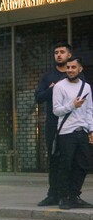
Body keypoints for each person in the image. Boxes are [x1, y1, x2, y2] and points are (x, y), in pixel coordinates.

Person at [52, 57, 93, 210]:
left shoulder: (86, 87)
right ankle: (63, 197)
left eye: (73, 67)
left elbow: (89, 111)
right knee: (65, 165)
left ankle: (74, 195)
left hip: (82, 131)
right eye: (68, 67)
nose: (70, 70)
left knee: (83, 165)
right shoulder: (60, 87)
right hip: (66, 132)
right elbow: (56, 110)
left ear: (80, 69)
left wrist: (91, 130)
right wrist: (72, 105)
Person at [35, 42, 71, 206]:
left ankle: (68, 194)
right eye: (56, 52)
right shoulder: (48, 76)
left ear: (69, 55)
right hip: (52, 124)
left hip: (72, 125)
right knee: (54, 159)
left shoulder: (74, 74)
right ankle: (53, 194)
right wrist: (53, 89)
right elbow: (38, 97)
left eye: (62, 52)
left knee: (70, 160)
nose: (59, 55)